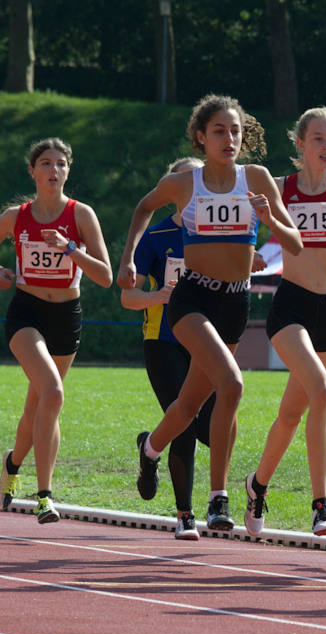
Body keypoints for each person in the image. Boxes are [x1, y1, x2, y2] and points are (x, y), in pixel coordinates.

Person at [118, 93, 302, 532]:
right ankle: (218, 498)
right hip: (192, 298)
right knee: (232, 385)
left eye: (236, 130)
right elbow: (143, 207)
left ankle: (149, 450)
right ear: (201, 137)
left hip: (235, 301)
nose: (230, 138)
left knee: (187, 405)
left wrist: (268, 217)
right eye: (220, 131)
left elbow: (294, 244)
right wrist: (127, 259)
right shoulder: (185, 184)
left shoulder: (256, 178)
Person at [0, 137, 113, 523]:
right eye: (47, 163)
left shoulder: (81, 215)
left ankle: (12, 465)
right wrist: (0, 270)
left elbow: (105, 277)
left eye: (62, 164)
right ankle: (46, 496)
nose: (55, 170)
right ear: (32, 171)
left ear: (69, 171)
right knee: (53, 392)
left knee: (38, 406)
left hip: (66, 316)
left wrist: (71, 249)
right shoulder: (15, 216)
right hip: (26, 314)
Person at [242, 107, 326, 538]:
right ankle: (321, 504)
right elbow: (235, 227)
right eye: (317, 138)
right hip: (291, 308)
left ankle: (256, 485)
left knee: (292, 414)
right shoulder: (280, 189)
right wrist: (248, 252)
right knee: (324, 392)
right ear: (300, 143)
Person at [121, 156, 217, 541]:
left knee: (213, 428)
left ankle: (149, 446)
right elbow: (127, 297)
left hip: (207, 341)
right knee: (186, 424)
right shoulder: (157, 236)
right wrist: (158, 295)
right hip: (162, 341)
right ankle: (185, 515)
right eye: (184, 181)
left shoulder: (216, 233)